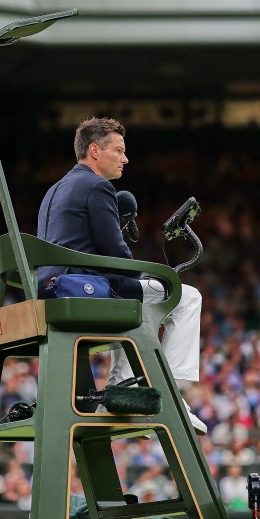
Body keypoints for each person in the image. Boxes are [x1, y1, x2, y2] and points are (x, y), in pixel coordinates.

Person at [37, 117, 206, 434]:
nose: (125, 158)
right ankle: (172, 396)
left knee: (130, 299)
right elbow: (115, 255)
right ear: (94, 151)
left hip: (56, 292)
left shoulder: (53, 191)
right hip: (83, 291)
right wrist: (143, 286)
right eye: (118, 150)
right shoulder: (98, 186)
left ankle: (119, 391)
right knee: (186, 297)